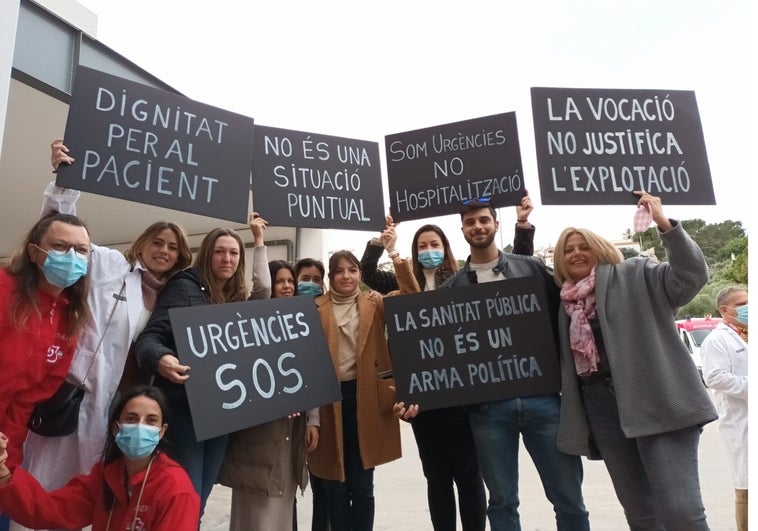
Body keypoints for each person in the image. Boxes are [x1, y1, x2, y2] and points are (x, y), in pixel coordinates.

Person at [19, 141, 193, 527]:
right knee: (43, 486)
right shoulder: (111, 265)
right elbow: (64, 241)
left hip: (112, 410)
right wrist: (63, 186)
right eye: (157, 242)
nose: (163, 251)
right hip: (69, 393)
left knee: (86, 495)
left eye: (172, 247)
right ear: (142, 243)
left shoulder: (173, 297)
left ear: (180, 256)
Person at [553, 191, 717, 530]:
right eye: (567, 250)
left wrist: (665, 224)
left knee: (681, 510)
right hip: (601, 409)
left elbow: (691, 277)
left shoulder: (637, 273)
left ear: (599, 248)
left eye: (583, 245)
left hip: (658, 400)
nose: (576, 253)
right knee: (641, 514)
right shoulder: (565, 304)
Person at [440, 197, 589, 531]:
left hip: (544, 400)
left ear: (495, 223)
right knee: (502, 502)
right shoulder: (452, 288)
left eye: (483, 220)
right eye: (470, 222)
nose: (477, 227)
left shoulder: (531, 268)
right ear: (462, 230)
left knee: (570, 499)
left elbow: (564, 315)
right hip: (488, 409)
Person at [134, 215, 271, 516]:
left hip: (219, 417)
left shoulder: (234, 299)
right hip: (185, 411)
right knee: (185, 497)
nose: (227, 258)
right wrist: (160, 359)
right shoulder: (184, 287)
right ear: (207, 254)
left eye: (234, 253)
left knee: (199, 500)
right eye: (220, 251)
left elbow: (264, 295)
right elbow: (151, 337)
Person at [308, 250, 415, 531]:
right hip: (329, 399)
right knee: (336, 484)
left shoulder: (374, 303)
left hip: (367, 397)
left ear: (360, 274)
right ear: (331, 277)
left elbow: (411, 297)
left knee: (363, 485)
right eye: (340, 271)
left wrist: (397, 257)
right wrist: (313, 419)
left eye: (352, 270)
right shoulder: (315, 308)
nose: (346, 276)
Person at [0, 386, 199, 530]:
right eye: (131, 418)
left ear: (162, 431)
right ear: (116, 427)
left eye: (151, 421)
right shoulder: (108, 476)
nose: (140, 426)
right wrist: (4, 474)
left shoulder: (175, 489)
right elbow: (50, 510)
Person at [218, 259, 320, 530]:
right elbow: (260, 287)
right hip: (258, 428)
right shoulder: (254, 319)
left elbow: (313, 376)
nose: (286, 286)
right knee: (254, 499)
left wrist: (313, 421)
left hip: (290, 429)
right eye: (280, 281)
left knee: (281, 500)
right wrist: (260, 241)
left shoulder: (303, 321)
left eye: (290, 281)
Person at [0, 213, 91, 475]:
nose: (71, 257)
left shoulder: (70, 317)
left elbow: (29, 398)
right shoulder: (4, 288)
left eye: (81, 250)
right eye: (60, 247)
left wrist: (10, 458)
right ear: (34, 252)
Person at [360, 193, 536, 294]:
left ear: (445, 249)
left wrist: (522, 224)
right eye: (422, 246)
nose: (429, 250)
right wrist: (381, 239)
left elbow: (519, 266)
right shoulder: (404, 281)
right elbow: (367, 274)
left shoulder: (459, 279)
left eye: (435, 245)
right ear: (415, 251)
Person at [701, 286, 748, 531]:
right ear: (724, 310)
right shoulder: (717, 340)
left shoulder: (749, 333)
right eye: (741, 304)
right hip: (741, 423)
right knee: (747, 488)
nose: (748, 308)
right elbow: (715, 377)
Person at [293, 257, 330, 531]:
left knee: (324, 485)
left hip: (318, 414)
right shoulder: (281, 314)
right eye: (305, 278)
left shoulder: (326, 316)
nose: (311, 284)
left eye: (317, 280)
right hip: (284, 416)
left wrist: (313, 419)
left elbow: (318, 371)